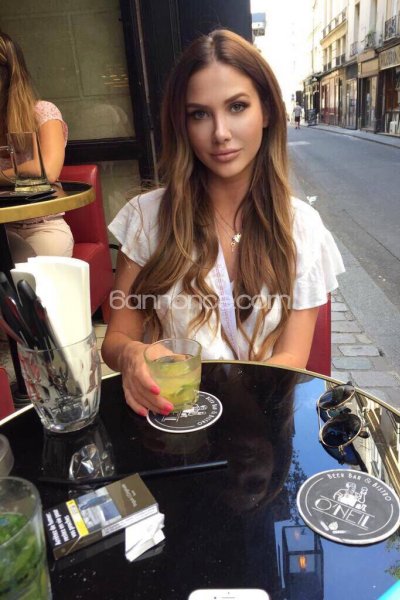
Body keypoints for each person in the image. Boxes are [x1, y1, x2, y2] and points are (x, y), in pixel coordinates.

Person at [102, 29, 344, 417]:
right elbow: (116, 339)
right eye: (199, 114)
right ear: (182, 125)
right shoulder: (147, 218)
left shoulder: (302, 229)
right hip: (173, 419)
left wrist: (237, 418)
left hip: (261, 424)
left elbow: (292, 358)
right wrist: (133, 354)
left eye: (237, 106)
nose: (220, 133)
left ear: (267, 111)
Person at [0, 32, 73, 261]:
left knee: (34, 279)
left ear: (7, 74)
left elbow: (47, 171)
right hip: (2, 226)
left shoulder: (42, 112)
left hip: (42, 225)